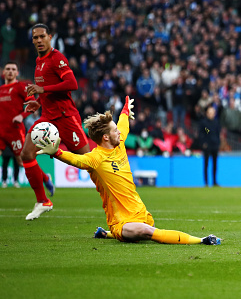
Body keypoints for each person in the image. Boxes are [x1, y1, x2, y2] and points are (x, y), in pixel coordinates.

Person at [36, 96, 221, 245]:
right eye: (115, 131)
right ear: (106, 136)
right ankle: (202, 240)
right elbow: (76, 159)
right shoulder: (96, 158)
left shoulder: (119, 142)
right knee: (146, 232)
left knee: (147, 228)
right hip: (121, 222)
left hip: (141, 212)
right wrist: (58, 153)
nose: (120, 132)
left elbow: (123, 122)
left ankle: (105, 234)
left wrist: (125, 110)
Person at [22, 23, 91, 220]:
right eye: (35, 38)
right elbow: (47, 89)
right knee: (26, 155)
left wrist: (43, 90)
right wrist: (37, 102)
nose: (39, 40)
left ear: (50, 37)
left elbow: (72, 84)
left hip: (65, 117)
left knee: (88, 163)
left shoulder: (57, 58)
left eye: (42, 36)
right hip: (46, 118)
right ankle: (43, 201)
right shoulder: (38, 61)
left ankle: (114, 191)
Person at [0, 62, 34, 188]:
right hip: (1, 132)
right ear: (3, 73)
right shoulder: (0, 90)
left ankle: (45, 178)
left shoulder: (21, 87)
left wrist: (22, 115)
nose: (10, 71)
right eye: (7, 69)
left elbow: (34, 104)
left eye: (13, 69)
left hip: (15, 131)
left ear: (17, 73)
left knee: (21, 161)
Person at [199, 105, 221, 186]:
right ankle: (206, 182)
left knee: (215, 164)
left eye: (212, 113)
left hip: (215, 145)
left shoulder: (216, 123)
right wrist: (204, 143)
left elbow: (218, 133)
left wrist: (218, 143)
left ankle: (214, 181)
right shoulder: (204, 123)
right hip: (207, 146)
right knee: (206, 164)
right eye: (209, 113)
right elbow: (202, 133)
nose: (211, 114)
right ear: (207, 113)